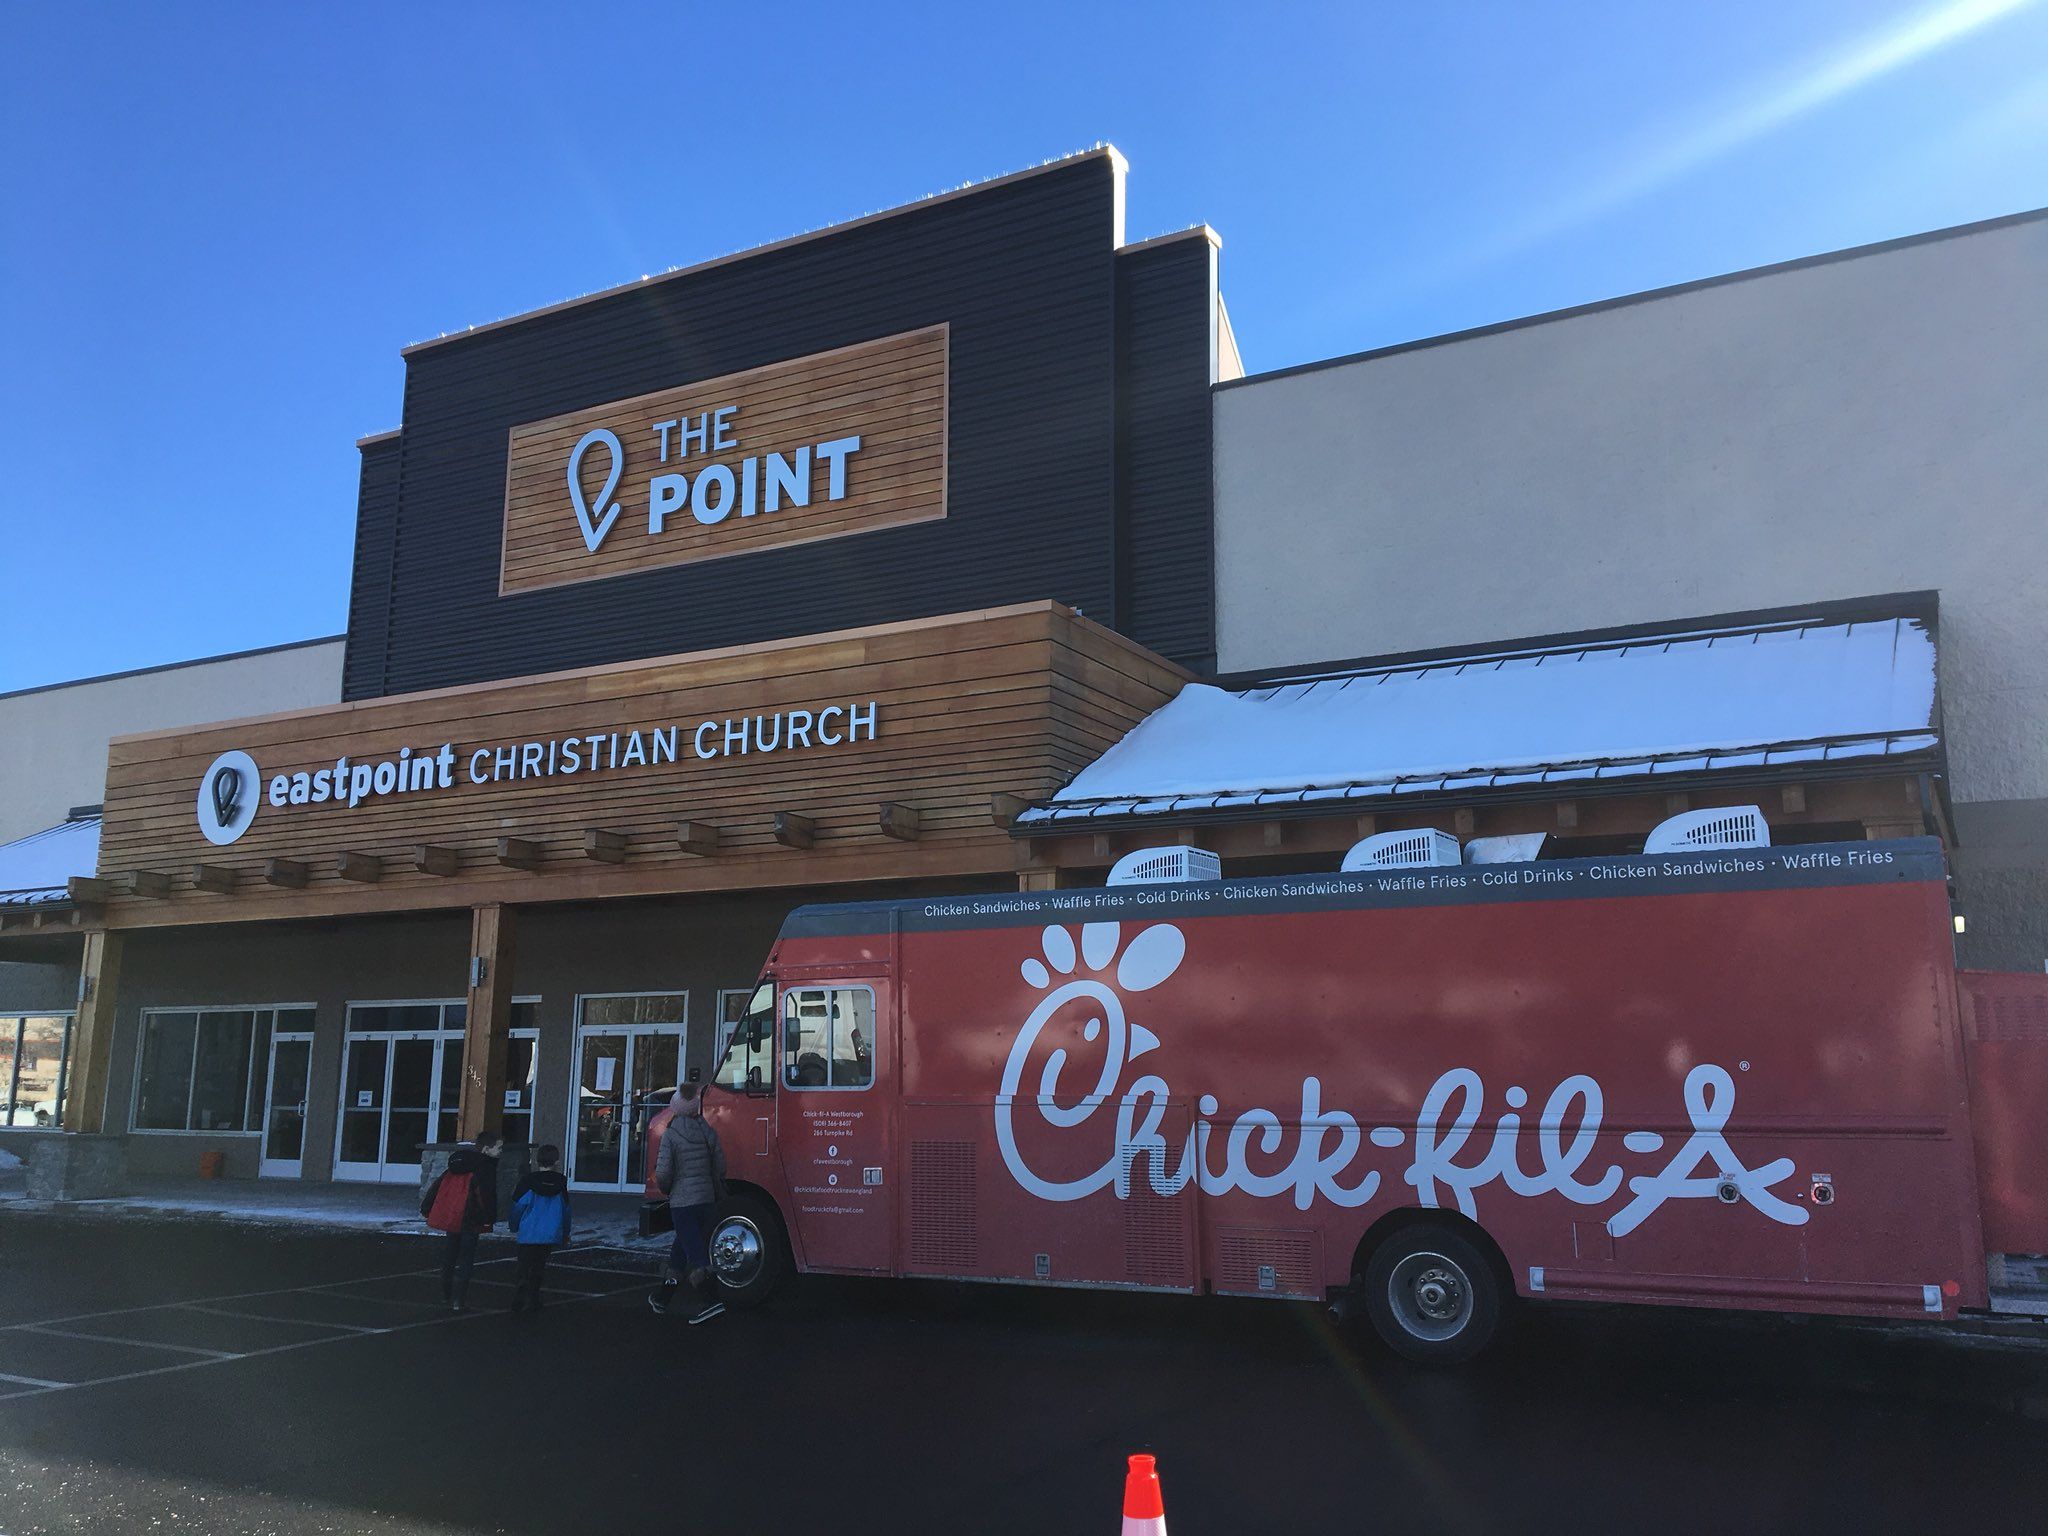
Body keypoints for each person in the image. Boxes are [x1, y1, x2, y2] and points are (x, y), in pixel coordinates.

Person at [649, 1085, 727, 1323]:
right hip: (706, 1198)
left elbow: (663, 1171)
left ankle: (710, 1300)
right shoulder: (707, 1131)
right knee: (682, 1246)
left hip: (683, 1201)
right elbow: (720, 1165)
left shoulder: (671, 1135)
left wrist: (666, 1189)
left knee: (694, 1251)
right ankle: (663, 1297)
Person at [421, 1129, 502, 1311]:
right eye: (498, 1148)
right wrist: (489, 1218)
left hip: (454, 1217)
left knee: (449, 1256)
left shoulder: (457, 1164)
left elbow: (437, 1185)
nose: (500, 1151)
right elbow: (487, 1196)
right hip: (472, 1219)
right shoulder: (486, 1167)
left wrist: (427, 1208)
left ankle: (445, 1294)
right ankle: (459, 1299)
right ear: (487, 1149)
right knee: (466, 1259)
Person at [508, 1143, 572, 1313]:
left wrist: (513, 1225)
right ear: (556, 1162)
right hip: (550, 1233)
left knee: (523, 1263)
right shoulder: (560, 1184)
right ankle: (534, 1297)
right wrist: (565, 1232)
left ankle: (520, 1290)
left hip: (528, 1232)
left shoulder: (527, 1182)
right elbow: (566, 1210)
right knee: (539, 1266)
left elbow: (518, 1207)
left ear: (537, 1161)